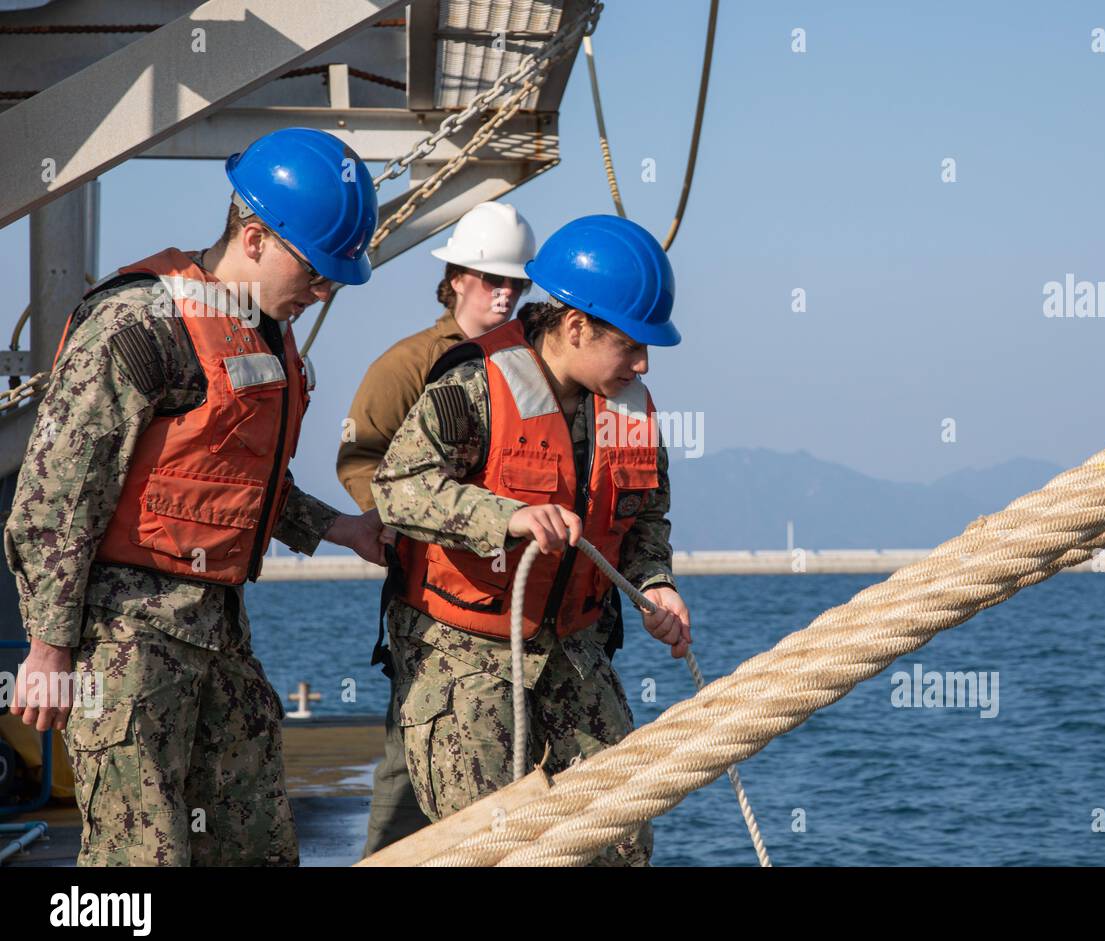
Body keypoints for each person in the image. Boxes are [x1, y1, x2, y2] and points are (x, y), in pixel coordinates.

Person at [4, 127, 389, 866]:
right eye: (315, 271)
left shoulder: (265, 335)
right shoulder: (142, 325)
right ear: (252, 238)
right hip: (124, 646)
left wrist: (343, 529)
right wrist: (48, 650)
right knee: (140, 862)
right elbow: (55, 497)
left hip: (219, 634)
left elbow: (231, 486)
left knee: (254, 849)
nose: (324, 290)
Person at [371, 214, 692, 866]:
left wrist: (656, 584)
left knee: (621, 838)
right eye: (631, 345)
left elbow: (645, 521)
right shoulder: (472, 387)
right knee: (490, 849)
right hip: (463, 659)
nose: (644, 362)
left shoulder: (631, 412)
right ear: (576, 327)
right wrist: (504, 517)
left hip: (574, 652)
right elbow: (397, 489)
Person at [336, 200, 539, 857]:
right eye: (492, 280)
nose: (506, 294)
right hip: (432, 597)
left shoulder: (535, 366)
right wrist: (396, 522)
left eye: (517, 283)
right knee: (412, 749)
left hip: (523, 600)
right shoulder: (409, 365)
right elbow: (362, 457)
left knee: (524, 758)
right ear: (456, 278)